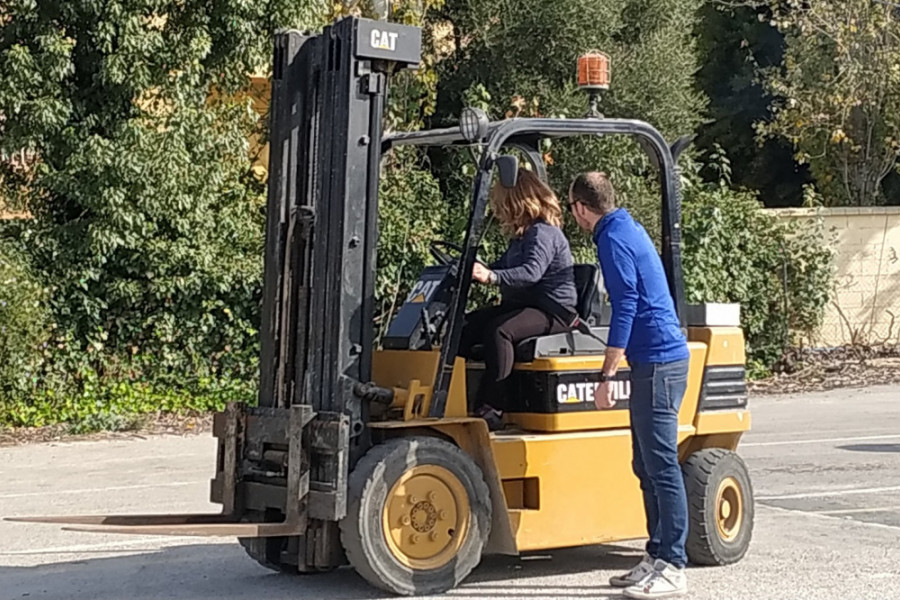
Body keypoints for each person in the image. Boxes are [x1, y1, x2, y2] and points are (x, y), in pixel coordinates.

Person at [568, 171, 691, 599]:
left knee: (661, 467)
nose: (574, 217)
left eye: (573, 209)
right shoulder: (624, 226)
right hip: (653, 361)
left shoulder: (611, 239)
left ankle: (674, 564)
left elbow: (626, 306)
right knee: (645, 466)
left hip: (658, 361)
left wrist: (606, 374)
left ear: (582, 208)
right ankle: (656, 555)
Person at [458, 169, 578, 430]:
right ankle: (456, 399)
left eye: (501, 202)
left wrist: (491, 276)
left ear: (516, 200)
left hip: (553, 312)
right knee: (466, 327)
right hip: (527, 306)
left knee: (500, 331)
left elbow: (531, 273)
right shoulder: (521, 238)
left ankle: (494, 406)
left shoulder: (543, 233)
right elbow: (501, 267)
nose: (498, 208)